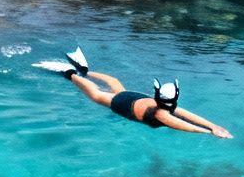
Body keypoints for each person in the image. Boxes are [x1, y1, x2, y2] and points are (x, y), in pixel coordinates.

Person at [36, 49, 232, 138]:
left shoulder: (163, 107)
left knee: (114, 83)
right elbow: (184, 125)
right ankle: (70, 74)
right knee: (96, 95)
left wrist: (213, 126)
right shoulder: (163, 114)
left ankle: (85, 71)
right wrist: (209, 132)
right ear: (176, 96)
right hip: (125, 104)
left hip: (136, 97)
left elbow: (188, 116)